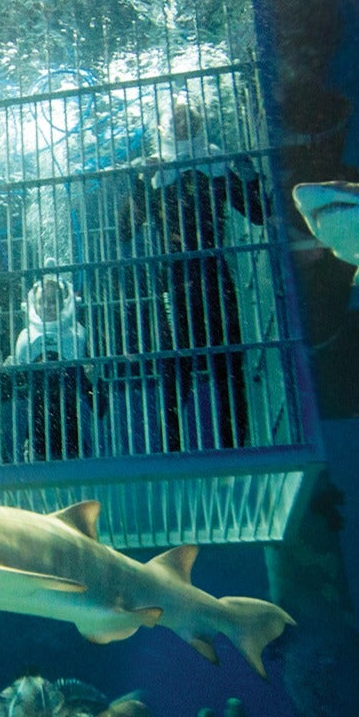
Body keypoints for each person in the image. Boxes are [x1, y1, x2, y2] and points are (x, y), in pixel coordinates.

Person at [117, 98, 269, 452]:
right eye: (178, 121)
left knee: (228, 365)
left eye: (190, 120)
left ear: (201, 124)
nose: (183, 127)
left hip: (214, 276)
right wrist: (140, 183)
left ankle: (237, 452)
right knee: (174, 370)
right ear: (164, 128)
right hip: (175, 280)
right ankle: (172, 454)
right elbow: (125, 230)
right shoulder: (157, 172)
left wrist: (248, 178)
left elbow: (258, 214)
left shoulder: (216, 164)